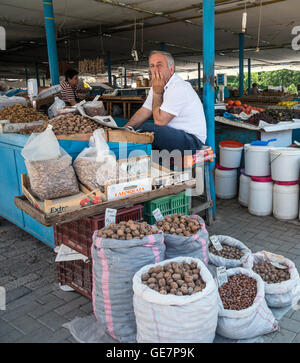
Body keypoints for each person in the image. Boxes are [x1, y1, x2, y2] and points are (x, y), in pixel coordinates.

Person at [124, 51, 206, 154]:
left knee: (149, 129)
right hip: (173, 135)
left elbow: (160, 122)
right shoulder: (156, 86)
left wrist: (158, 94)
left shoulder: (179, 86)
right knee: (139, 132)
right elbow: (144, 111)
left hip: (192, 140)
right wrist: (124, 129)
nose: (155, 70)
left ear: (171, 69)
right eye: (152, 66)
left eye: (159, 65)